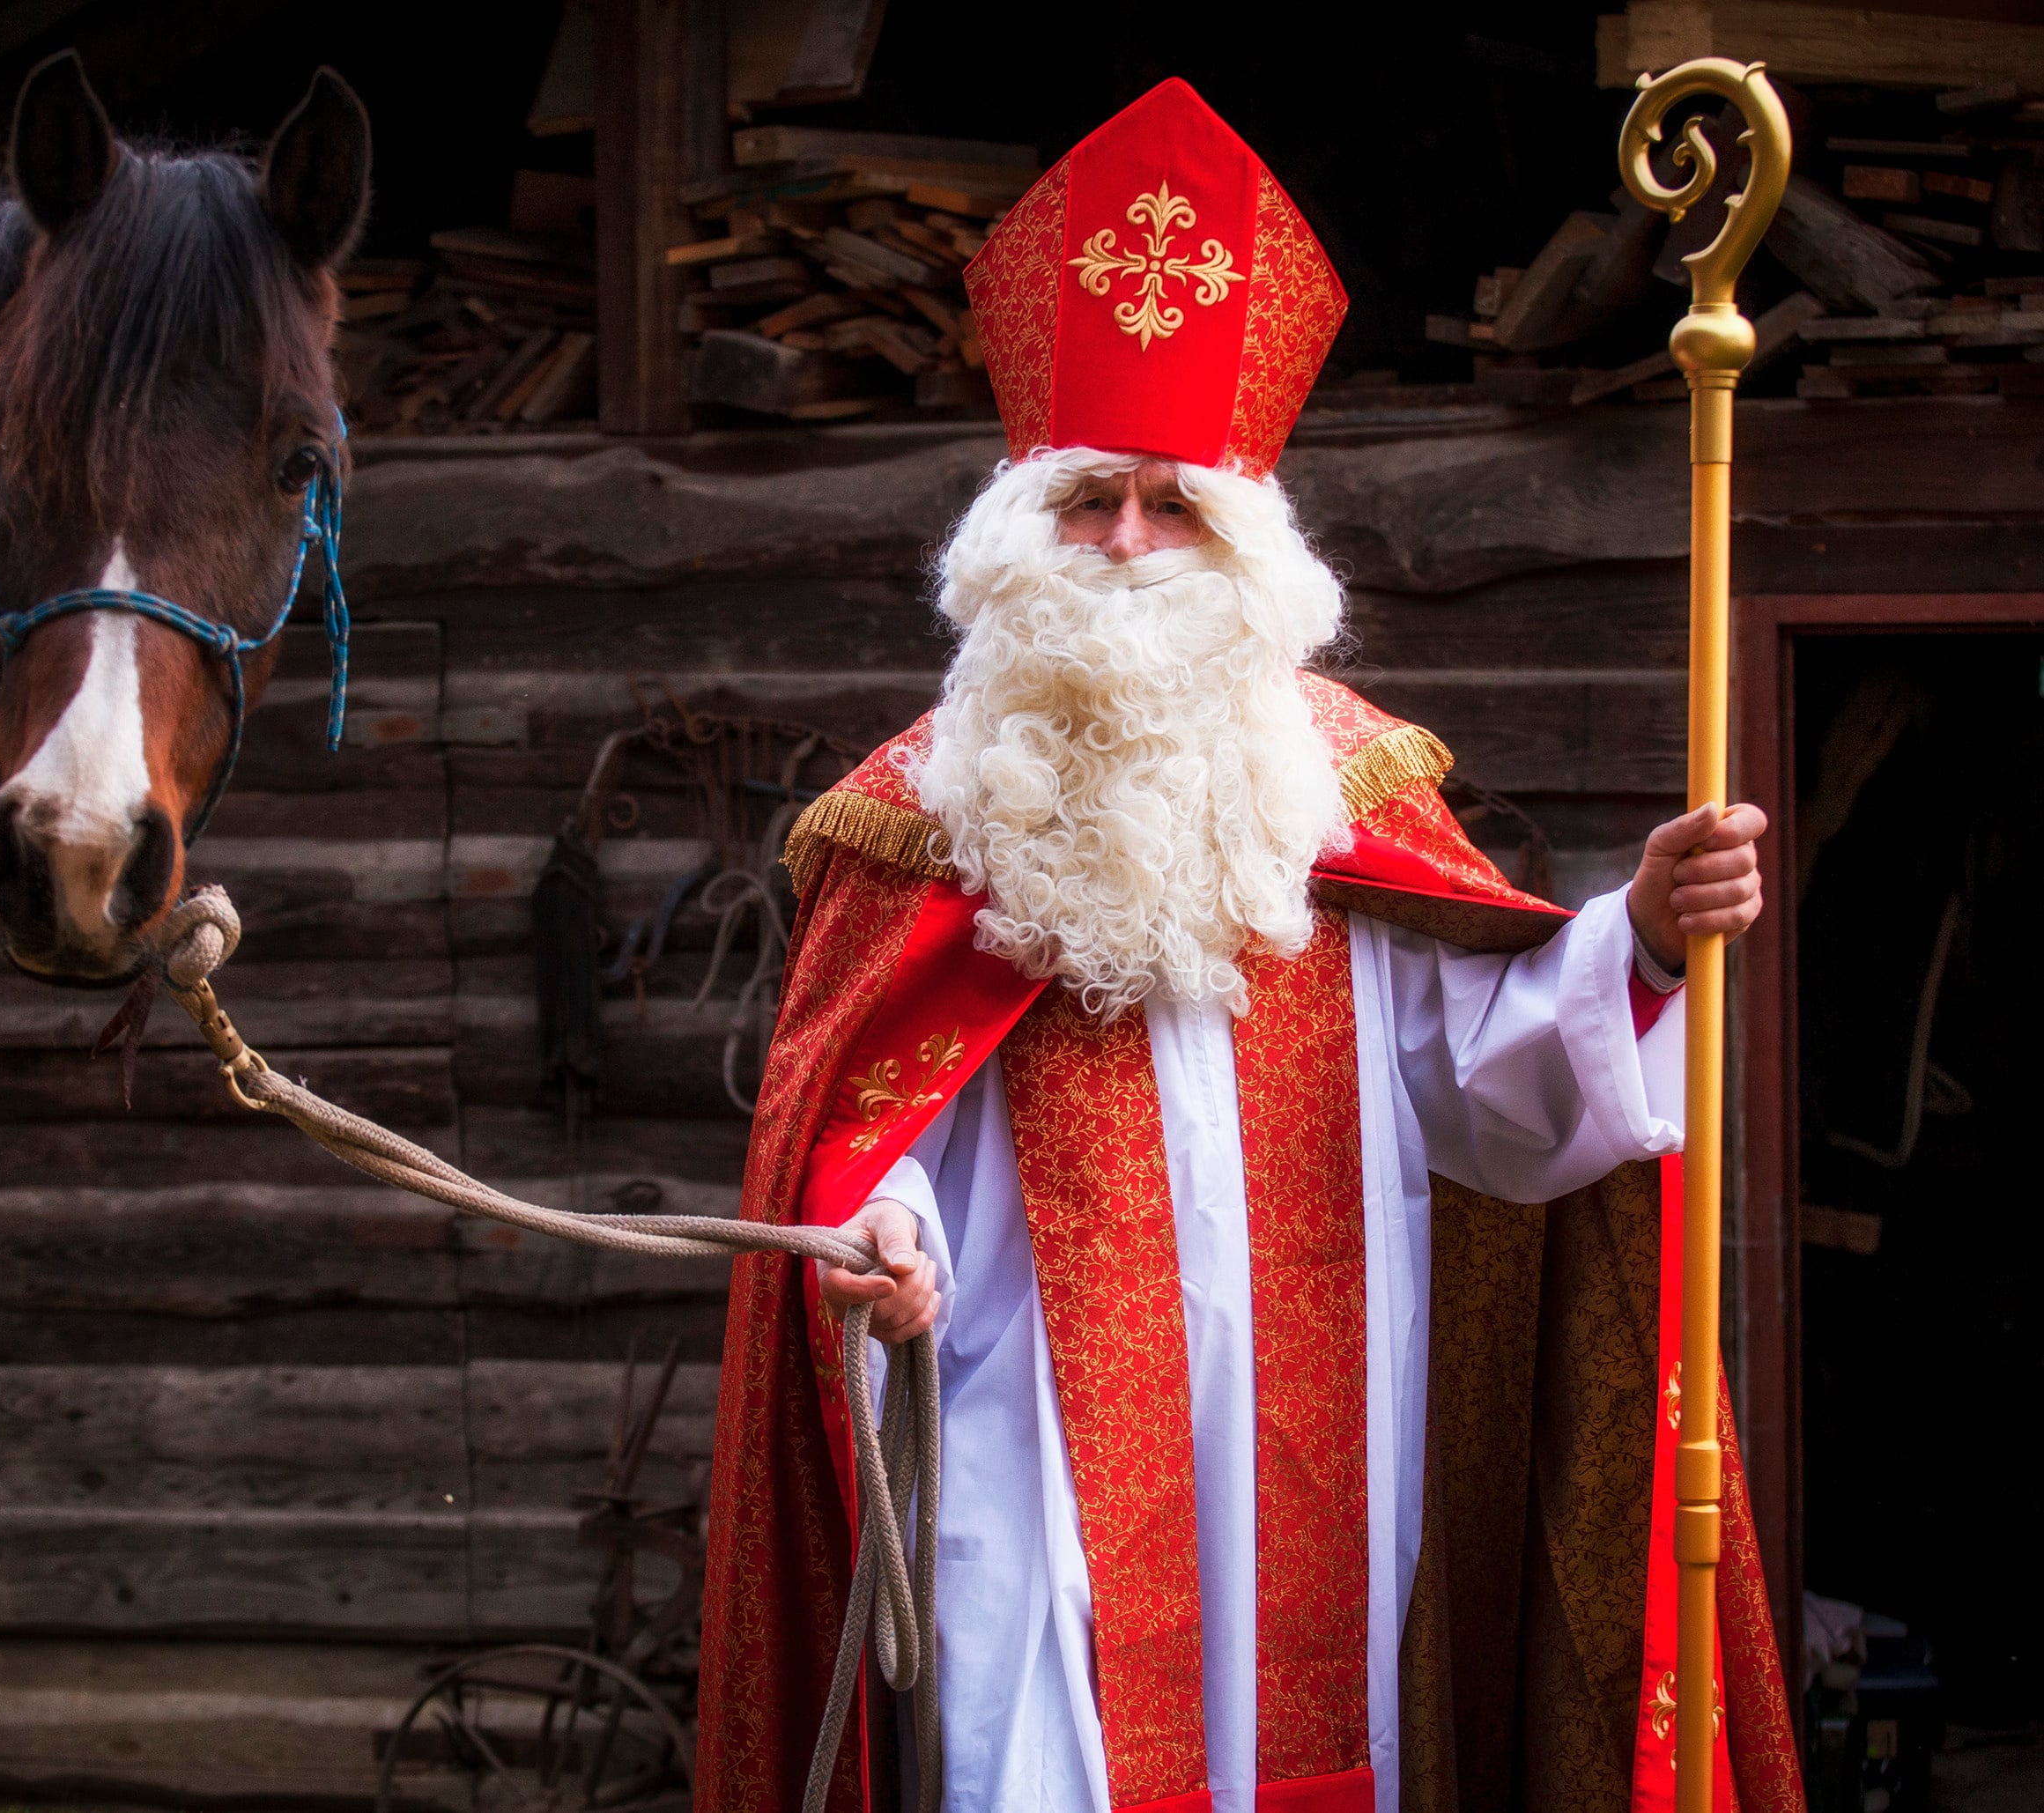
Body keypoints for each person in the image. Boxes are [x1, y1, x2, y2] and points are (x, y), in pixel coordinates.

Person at [692, 79, 1803, 1813]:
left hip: (1325, 1490)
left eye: (1171, 505)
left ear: (1248, 543)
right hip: (1022, 1469)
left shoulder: (1340, 789)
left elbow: (1489, 1099)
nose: (1127, 547)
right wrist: (877, 1262)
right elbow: (867, 1151)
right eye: (1087, 502)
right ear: (1012, 530)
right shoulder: (919, 822)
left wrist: (1642, 945)